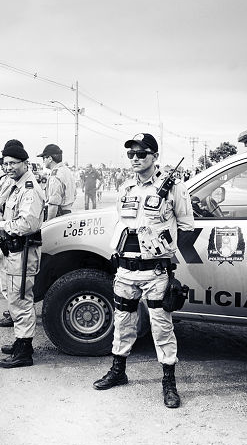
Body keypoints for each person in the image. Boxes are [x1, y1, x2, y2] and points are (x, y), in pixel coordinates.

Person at [93, 133, 193, 408]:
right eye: (131, 154)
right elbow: (122, 224)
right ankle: (118, 370)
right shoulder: (126, 188)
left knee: (161, 327)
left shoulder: (174, 188)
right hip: (125, 270)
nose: (135, 158)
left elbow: (186, 227)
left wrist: (168, 255)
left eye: (141, 153)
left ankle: (168, 381)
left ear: (155, 156)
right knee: (123, 322)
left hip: (155, 272)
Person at [0, 139, 45, 368]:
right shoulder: (14, 184)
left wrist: (0, 224)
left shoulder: (29, 189)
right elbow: (0, 205)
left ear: (25, 163)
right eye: (5, 164)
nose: (8, 167)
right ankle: (22, 341)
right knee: (14, 298)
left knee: (21, 300)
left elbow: (27, 224)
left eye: (13, 163)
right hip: (12, 250)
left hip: (22, 251)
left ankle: (24, 351)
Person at [38, 143, 76, 221]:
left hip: (58, 215)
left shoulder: (55, 175)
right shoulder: (66, 170)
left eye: (44, 158)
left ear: (50, 159)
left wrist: (48, 224)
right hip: (67, 213)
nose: (43, 161)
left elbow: (53, 204)